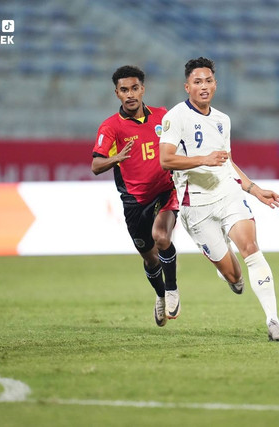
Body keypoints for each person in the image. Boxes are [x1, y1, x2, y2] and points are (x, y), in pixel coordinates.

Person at [159, 57, 279, 342]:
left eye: (208, 81)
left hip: (227, 195)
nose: (203, 87)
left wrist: (254, 189)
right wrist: (202, 159)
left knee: (252, 248)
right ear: (187, 87)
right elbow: (165, 160)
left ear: (215, 85)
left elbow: (227, 163)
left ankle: (273, 321)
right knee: (234, 277)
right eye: (197, 82)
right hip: (196, 207)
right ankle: (232, 274)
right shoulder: (175, 117)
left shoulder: (222, 120)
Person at [92, 65, 180, 327]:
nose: (130, 94)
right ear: (116, 93)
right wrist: (115, 158)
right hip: (135, 202)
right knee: (149, 257)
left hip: (166, 191)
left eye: (134, 88)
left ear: (143, 88)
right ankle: (161, 295)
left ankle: (173, 289)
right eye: (123, 90)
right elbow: (95, 166)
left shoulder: (164, 117)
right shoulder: (111, 127)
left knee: (162, 237)